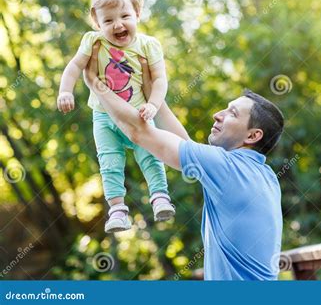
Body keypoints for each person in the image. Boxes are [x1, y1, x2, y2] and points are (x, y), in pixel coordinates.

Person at [84, 42, 285, 280]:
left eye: (232, 113)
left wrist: (96, 84)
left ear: (253, 135)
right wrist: (153, 95)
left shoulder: (227, 168)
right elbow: (186, 146)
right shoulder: (263, 175)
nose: (217, 114)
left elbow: (138, 133)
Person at [56, 0, 175, 233]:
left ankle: (160, 196)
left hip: (139, 113)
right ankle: (118, 210)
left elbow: (160, 79)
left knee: (150, 155)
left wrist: (153, 105)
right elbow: (75, 67)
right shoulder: (92, 41)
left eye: (124, 16)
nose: (118, 25)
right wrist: (65, 90)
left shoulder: (147, 45)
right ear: (97, 23)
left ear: (137, 14)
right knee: (109, 161)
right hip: (103, 117)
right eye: (108, 20)